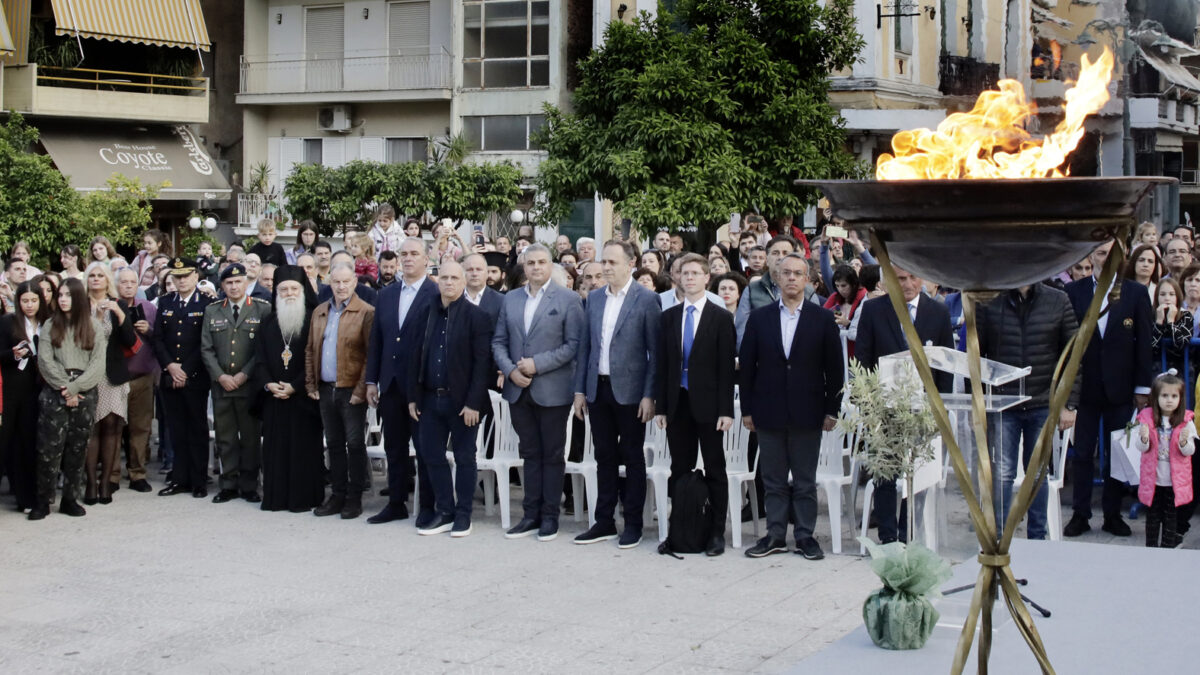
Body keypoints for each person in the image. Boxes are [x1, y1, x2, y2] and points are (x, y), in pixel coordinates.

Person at [740, 253, 843, 560]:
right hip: (768, 409)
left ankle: (805, 535)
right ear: (777, 277)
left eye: (798, 273)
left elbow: (834, 369)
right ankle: (774, 534)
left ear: (807, 279)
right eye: (786, 273)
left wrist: (832, 409)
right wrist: (747, 409)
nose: (792, 278)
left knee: (804, 480)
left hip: (808, 410)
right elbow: (747, 367)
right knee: (772, 479)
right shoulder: (760, 318)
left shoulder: (822, 318)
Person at [855, 263, 954, 543]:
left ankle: (910, 532)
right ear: (887, 281)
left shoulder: (938, 312)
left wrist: (941, 408)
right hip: (884, 411)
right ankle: (888, 536)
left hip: (924, 411)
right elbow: (863, 360)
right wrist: (869, 408)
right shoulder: (873, 310)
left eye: (913, 277)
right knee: (886, 475)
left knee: (918, 476)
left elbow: (945, 366)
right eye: (900, 278)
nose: (908, 284)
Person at [573, 240, 661, 548]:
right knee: (604, 456)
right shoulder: (595, 298)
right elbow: (586, 347)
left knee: (633, 457)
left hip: (632, 392)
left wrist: (649, 394)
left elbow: (655, 352)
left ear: (631, 264)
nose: (606, 267)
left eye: (612, 262)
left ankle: (633, 522)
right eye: (604, 261)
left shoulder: (646, 299)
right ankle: (604, 521)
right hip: (598, 389)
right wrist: (580, 390)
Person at [493, 244, 585, 541]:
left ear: (550, 265)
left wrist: (537, 364)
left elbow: (573, 345)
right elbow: (498, 341)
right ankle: (530, 514)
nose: (536, 267)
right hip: (518, 389)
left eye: (541, 262)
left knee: (552, 454)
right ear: (523, 266)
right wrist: (511, 371)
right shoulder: (511, 299)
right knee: (530, 453)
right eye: (530, 262)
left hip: (553, 390)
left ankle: (549, 516)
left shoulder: (569, 299)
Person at [1063, 240, 1154, 537]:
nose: (1106, 258)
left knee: (1116, 452)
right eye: (1101, 253)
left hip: (1121, 386)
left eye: (1111, 253)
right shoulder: (1073, 292)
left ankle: (1112, 514)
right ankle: (1080, 513)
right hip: (1085, 386)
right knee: (1082, 453)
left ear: (1122, 256)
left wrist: (1142, 387)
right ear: (1091, 255)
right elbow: (1066, 341)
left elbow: (1144, 343)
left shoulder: (1136, 293)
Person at [976, 282, 1080, 541]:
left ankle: (1037, 537)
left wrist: (1069, 403)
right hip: (1003, 403)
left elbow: (1073, 356)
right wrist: (976, 403)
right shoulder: (990, 301)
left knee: (1037, 474)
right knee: (1002, 473)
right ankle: (999, 539)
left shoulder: (1058, 300)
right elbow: (976, 354)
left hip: (1042, 401)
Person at [655, 254, 736, 556]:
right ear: (677, 278)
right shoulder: (669, 317)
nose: (689, 278)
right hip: (678, 403)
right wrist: (662, 407)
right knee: (679, 467)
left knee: (715, 467)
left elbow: (726, 368)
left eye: (694, 273)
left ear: (706, 278)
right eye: (684, 273)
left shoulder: (720, 317)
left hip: (710, 405)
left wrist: (726, 410)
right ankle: (680, 531)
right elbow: (663, 365)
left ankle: (716, 532)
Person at [407, 260, 492, 536]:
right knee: (431, 455)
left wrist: (473, 403)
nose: (449, 283)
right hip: (430, 399)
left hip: (463, 403)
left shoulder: (477, 317)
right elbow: (414, 356)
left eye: (455, 278)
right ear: (438, 281)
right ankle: (444, 511)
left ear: (464, 281)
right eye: (444, 278)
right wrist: (413, 397)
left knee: (465, 457)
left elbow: (482, 365)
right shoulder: (425, 313)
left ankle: (463, 514)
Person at [365, 237, 440, 524]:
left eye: (414, 254)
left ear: (426, 259)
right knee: (394, 448)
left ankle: (428, 506)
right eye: (404, 254)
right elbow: (377, 340)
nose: (408, 258)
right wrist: (371, 380)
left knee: (425, 448)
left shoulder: (435, 293)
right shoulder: (386, 294)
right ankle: (396, 503)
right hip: (391, 383)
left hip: (421, 386)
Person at [29, 278, 107, 520]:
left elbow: (97, 364)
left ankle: (70, 499)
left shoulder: (94, 326)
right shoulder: (50, 324)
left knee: (78, 448)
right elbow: (45, 361)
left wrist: (75, 388)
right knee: (48, 448)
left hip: (85, 391)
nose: (63, 299)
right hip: (55, 391)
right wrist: (66, 388)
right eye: (60, 295)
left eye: (68, 295)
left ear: (79, 298)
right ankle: (43, 500)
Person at [307, 263, 375, 519]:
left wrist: (361, 389)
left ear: (355, 282)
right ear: (329, 283)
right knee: (334, 444)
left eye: (346, 281)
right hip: (325, 388)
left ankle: (354, 497)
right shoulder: (320, 311)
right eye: (336, 282)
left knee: (354, 444)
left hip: (351, 390)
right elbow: (310, 350)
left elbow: (370, 355)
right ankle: (337, 495)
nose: (341, 286)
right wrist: (311, 384)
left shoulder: (366, 312)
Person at [257, 265, 326, 513]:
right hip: (274, 398)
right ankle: (276, 498)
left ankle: (304, 498)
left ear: (303, 290)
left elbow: (318, 358)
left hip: (304, 398)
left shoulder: (314, 320)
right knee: (275, 449)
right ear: (276, 293)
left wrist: (295, 386)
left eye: (294, 289)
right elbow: (259, 358)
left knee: (303, 449)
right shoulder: (267, 322)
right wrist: (268, 383)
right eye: (283, 289)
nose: (289, 294)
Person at [202, 263, 272, 504]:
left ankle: (249, 485)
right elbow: (206, 349)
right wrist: (220, 376)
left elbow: (262, 348)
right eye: (229, 283)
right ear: (222, 286)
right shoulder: (212, 311)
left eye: (238, 281)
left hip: (248, 385)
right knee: (226, 438)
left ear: (246, 283)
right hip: (222, 385)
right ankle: (228, 484)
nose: (233, 286)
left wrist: (244, 374)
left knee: (250, 438)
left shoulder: (262, 309)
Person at [153, 258, 215, 499]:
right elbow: (158, 339)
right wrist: (170, 366)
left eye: (186, 276)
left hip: (195, 376)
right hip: (170, 376)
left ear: (196, 276)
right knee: (176, 429)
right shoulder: (166, 301)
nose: (181, 281)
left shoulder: (206, 303)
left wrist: (185, 370)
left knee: (196, 428)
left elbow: (205, 342)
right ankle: (179, 478)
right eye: (177, 277)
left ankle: (198, 480)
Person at [82, 263, 137, 505]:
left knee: (112, 426)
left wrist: (120, 314)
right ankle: (91, 483)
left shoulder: (119, 304)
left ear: (107, 281)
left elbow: (130, 340)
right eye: (92, 276)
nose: (96, 279)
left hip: (113, 375)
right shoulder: (80, 305)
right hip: (88, 374)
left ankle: (106, 482)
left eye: (100, 276)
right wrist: (95, 317)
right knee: (92, 427)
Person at [1130, 373, 1193, 547]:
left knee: (1170, 519)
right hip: (1153, 481)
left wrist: (1183, 442)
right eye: (1164, 395)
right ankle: (1151, 549)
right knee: (1152, 518)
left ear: (1180, 398)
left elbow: (1190, 451)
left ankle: (1167, 549)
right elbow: (1141, 448)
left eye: (1174, 396)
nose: (1169, 400)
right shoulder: (1147, 419)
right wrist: (1144, 439)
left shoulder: (1186, 421)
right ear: (1156, 397)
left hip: (1174, 482)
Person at [1, 281, 48, 512]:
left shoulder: (48, 323)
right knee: (6, 441)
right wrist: (13, 354)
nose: (30, 305)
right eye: (25, 301)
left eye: (34, 300)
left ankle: (27, 498)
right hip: (11, 390)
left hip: (37, 389)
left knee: (28, 444)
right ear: (18, 302)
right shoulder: (8, 322)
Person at [113, 267, 157, 492]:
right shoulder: (110, 307)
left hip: (142, 377)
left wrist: (149, 330)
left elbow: (161, 338)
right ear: (116, 285)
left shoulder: (148, 308)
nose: (129, 286)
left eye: (132, 282)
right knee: (114, 429)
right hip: (115, 378)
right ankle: (111, 476)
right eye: (124, 282)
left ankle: (137, 473)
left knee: (141, 428)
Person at [824, 264, 868, 355]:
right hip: (838, 350)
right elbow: (821, 316)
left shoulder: (864, 298)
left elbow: (867, 330)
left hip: (858, 351)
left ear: (853, 284)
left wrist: (848, 323)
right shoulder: (834, 298)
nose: (840, 289)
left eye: (844, 285)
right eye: (837, 285)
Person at [1153, 277, 1193, 375]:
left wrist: (1171, 322)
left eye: (1171, 294)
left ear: (1177, 297)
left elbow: (1181, 344)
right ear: (1157, 297)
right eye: (1162, 294)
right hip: (1155, 368)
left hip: (1181, 370)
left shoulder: (1186, 316)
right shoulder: (1149, 315)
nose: (1167, 298)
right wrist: (1159, 322)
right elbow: (1149, 346)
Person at [462, 253, 504, 322]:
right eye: (470, 270)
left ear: (487, 273)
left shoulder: (501, 301)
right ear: (463, 273)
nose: (474, 274)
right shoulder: (454, 298)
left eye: (479, 269)